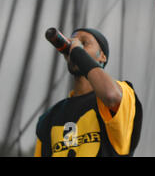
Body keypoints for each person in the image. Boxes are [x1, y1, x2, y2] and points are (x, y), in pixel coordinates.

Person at [34, 28, 143, 157]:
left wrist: (77, 51)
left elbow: (111, 96)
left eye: (84, 43)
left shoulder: (123, 92)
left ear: (102, 56)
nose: (73, 46)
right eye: (72, 42)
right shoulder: (49, 117)